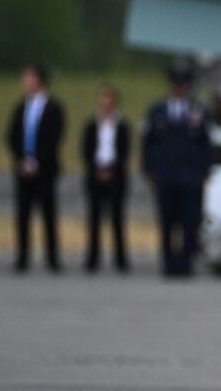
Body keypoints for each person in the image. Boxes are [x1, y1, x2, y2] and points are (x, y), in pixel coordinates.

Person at [141, 62, 213, 277]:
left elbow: (206, 144)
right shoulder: (157, 111)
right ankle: (168, 263)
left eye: (183, 84)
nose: (179, 88)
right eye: (176, 84)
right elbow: (148, 143)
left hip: (190, 177)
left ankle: (185, 264)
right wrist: (148, 169)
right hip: (165, 175)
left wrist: (204, 171)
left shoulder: (198, 111)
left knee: (189, 222)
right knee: (166, 221)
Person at [7, 64, 66, 273]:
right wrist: (22, 160)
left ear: (39, 80)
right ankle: (22, 257)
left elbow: (54, 138)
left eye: (28, 77)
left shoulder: (53, 107)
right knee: (22, 214)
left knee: (48, 214)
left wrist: (37, 160)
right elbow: (12, 137)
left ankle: (52, 257)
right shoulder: (20, 108)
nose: (24, 81)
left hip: (45, 169)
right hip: (23, 169)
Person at [81, 84, 131, 273]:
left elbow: (125, 152)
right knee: (94, 219)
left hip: (115, 175)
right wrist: (97, 170)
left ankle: (120, 259)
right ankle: (92, 259)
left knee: (117, 219)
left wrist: (112, 170)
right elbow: (86, 150)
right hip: (96, 174)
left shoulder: (122, 125)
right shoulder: (92, 125)